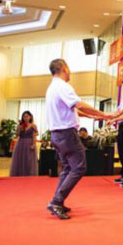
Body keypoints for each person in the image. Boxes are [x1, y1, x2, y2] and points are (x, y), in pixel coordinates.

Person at [45, 58, 112, 220]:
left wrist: (92, 116)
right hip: (67, 134)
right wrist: (103, 114)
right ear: (64, 68)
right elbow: (79, 105)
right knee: (79, 168)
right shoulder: (63, 86)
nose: (70, 72)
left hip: (57, 134)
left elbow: (73, 109)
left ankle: (58, 201)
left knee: (68, 168)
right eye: (68, 68)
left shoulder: (52, 87)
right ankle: (56, 201)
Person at [10, 111, 39, 177]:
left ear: (30, 117)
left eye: (27, 116)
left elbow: (34, 136)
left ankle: (29, 175)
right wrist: (19, 129)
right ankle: (19, 174)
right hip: (21, 143)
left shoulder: (33, 126)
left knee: (29, 160)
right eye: (24, 116)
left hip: (29, 143)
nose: (25, 118)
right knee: (20, 159)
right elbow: (17, 135)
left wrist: (33, 144)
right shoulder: (20, 125)